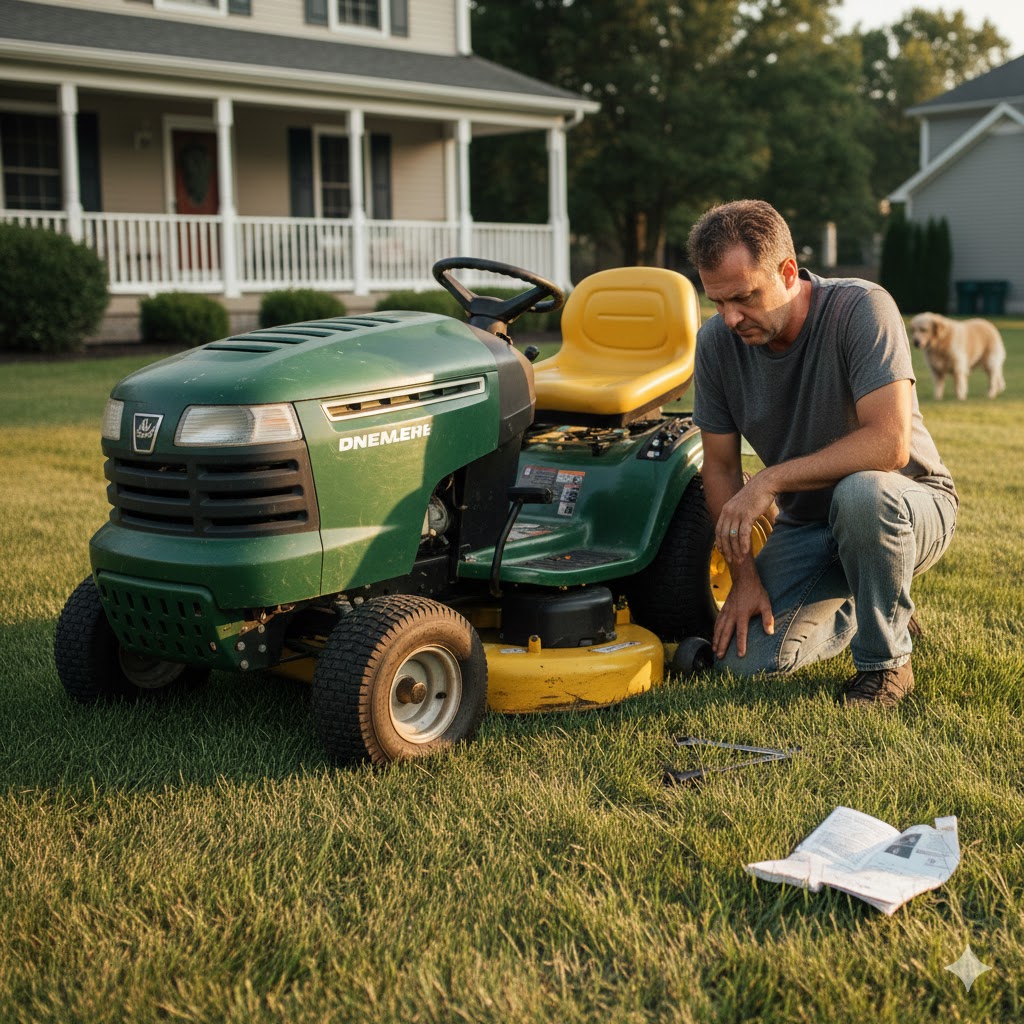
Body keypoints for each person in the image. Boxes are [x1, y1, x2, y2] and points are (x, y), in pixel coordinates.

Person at [686, 199, 958, 705]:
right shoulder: (716, 345)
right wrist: (744, 578)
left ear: (788, 271)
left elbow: (889, 444)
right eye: (717, 302)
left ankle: (886, 665)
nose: (729, 318)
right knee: (745, 666)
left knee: (862, 494)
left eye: (743, 297)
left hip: (908, 504)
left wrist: (767, 481)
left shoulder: (861, 308)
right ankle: (871, 595)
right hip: (809, 525)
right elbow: (720, 467)